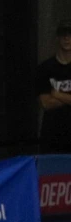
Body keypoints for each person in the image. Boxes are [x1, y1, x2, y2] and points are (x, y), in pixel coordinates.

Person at [37, 19, 71, 154]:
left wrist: (57, 95)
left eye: (70, 34)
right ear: (58, 37)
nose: (67, 38)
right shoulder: (45, 68)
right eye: (63, 34)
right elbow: (45, 103)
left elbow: (51, 98)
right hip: (52, 135)